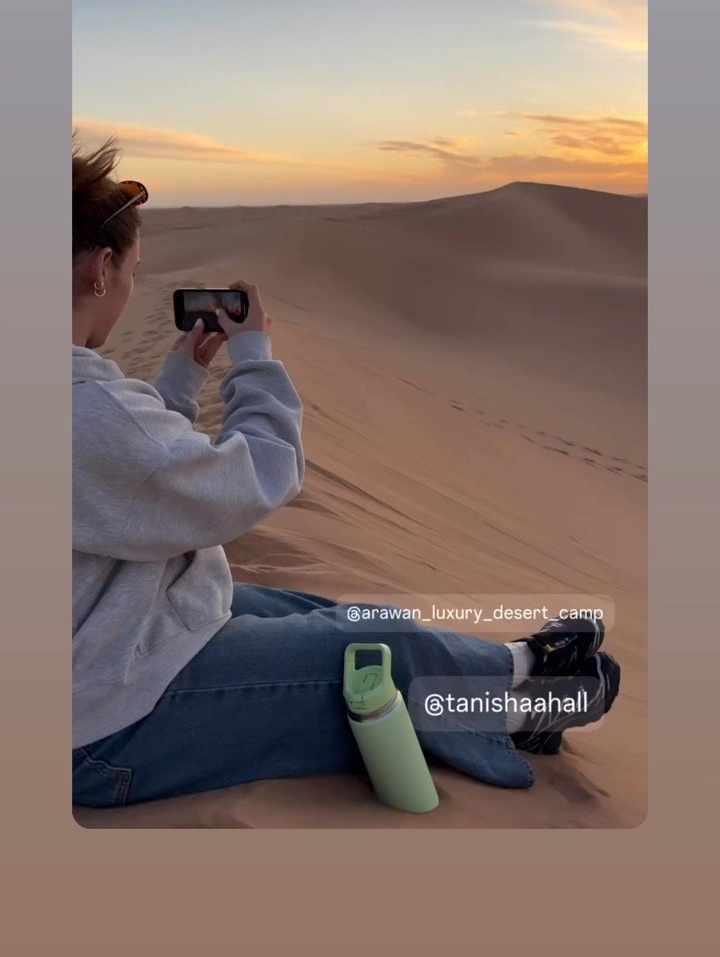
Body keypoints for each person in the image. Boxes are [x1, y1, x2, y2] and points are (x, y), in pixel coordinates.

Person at [72, 134, 620, 809]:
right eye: (130, 268)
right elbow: (262, 477)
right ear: (99, 269)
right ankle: (520, 705)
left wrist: (181, 378)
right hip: (104, 728)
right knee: (368, 650)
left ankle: (519, 664)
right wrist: (255, 361)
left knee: (332, 614)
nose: (128, 285)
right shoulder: (81, 405)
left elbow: (126, 473)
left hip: (113, 632)